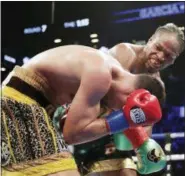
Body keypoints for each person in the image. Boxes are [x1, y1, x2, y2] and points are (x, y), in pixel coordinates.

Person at [1, 45, 164, 176]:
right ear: (136, 96)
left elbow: (71, 125)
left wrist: (138, 137)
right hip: (22, 100)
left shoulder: (108, 78)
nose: (117, 111)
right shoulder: (101, 75)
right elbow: (71, 134)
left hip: (32, 105)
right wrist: (124, 120)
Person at [75, 23, 185, 176]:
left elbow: (146, 126)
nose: (160, 57)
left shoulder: (157, 86)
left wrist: (145, 146)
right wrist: (132, 125)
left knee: (129, 172)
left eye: (168, 56)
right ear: (151, 39)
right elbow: (103, 96)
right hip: (82, 120)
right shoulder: (124, 53)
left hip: (115, 137)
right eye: (159, 48)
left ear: (174, 60)